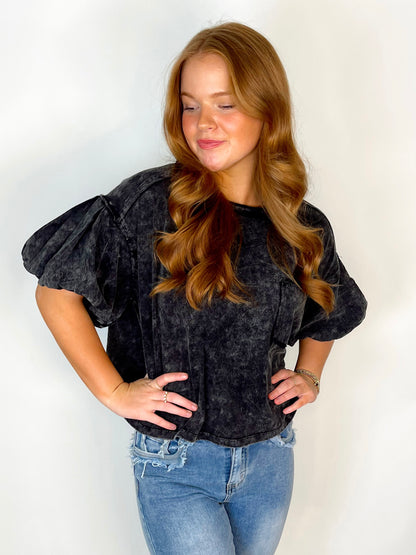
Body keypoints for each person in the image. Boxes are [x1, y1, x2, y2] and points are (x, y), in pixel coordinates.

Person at [22, 22, 367, 555]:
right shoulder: (149, 205)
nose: (203, 123)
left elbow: (330, 311)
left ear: (267, 110)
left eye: (225, 104)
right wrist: (114, 392)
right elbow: (55, 291)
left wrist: (309, 374)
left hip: (270, 457)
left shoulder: (301, 224)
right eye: (190, 105)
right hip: (176, 464)